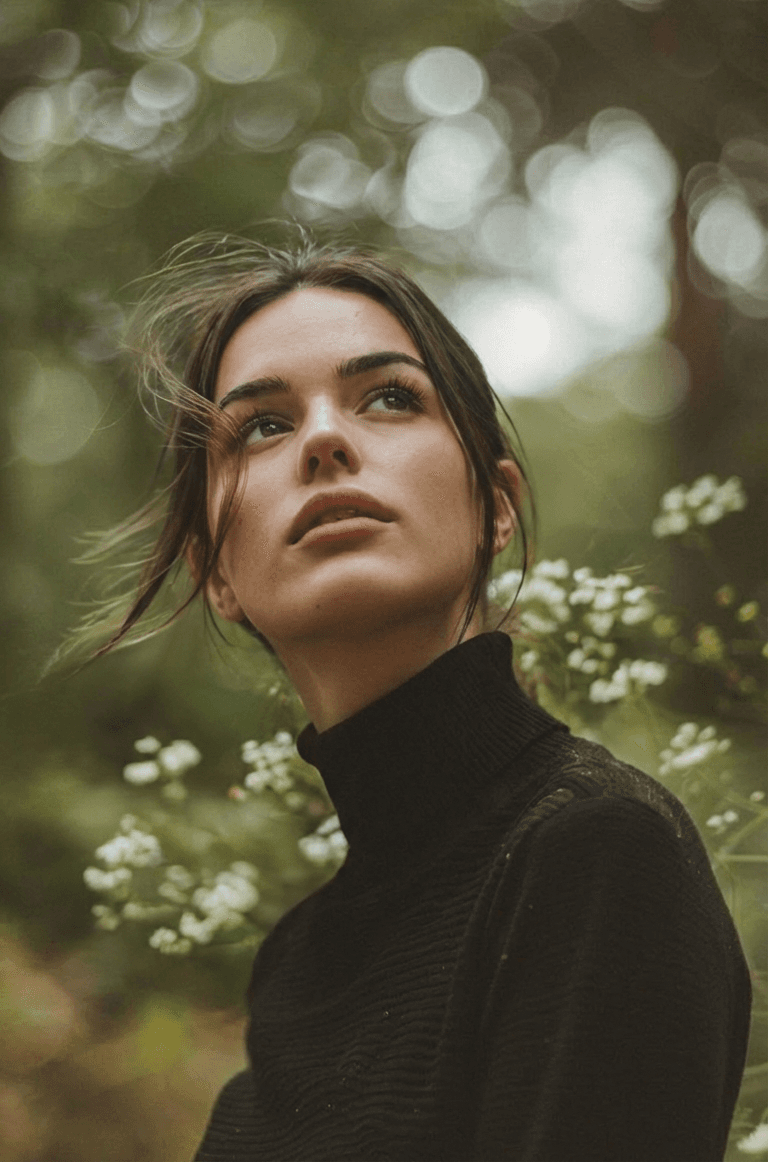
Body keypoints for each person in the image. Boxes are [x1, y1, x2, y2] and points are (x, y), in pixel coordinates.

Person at [87, 230, 750, 1161]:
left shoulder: (592, 854)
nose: (322, 438)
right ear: (216, 572)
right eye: (262, 426)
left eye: (390, 397)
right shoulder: (299, 957)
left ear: (495, 506)